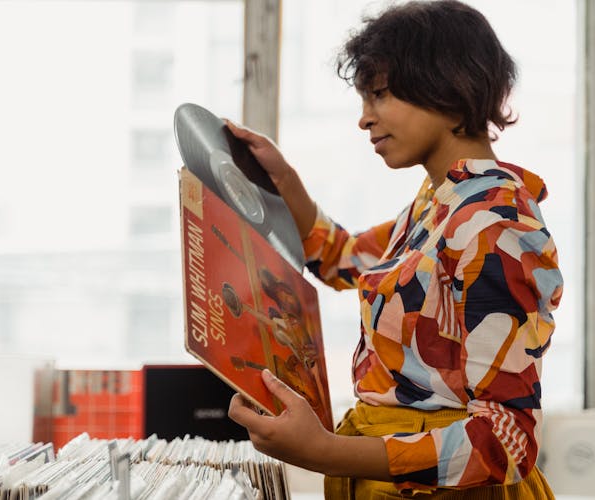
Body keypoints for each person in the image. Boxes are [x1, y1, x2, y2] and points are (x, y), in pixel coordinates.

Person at [225, 0, 563, 497]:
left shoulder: (495, 222)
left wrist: (322, 452)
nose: (364, 119)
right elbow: (341, 258)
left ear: (448, 88)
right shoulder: (440, 201)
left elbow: (504, 442)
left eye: (379, 95)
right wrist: (284, 181)